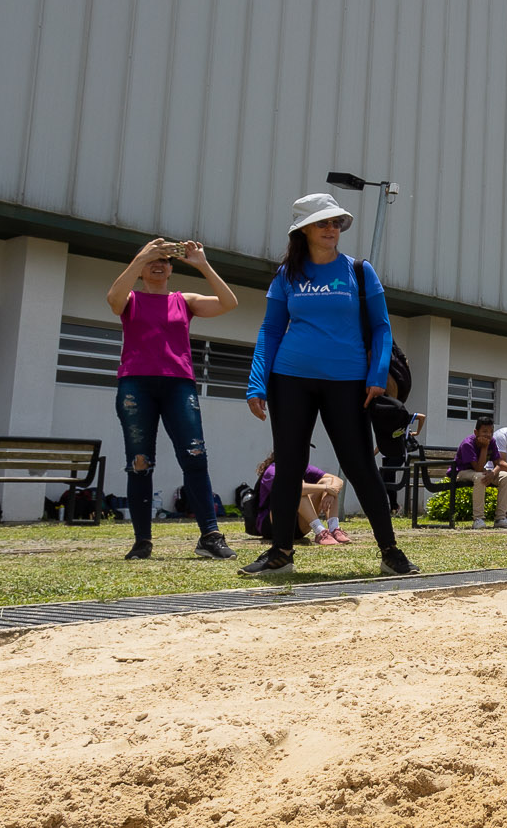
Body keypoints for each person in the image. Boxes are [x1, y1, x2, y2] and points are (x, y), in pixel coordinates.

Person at [241, 193, 417, 577]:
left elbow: (381, 328)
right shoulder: (286, 275)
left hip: (348, 381)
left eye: (336, 222)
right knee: (289, 465)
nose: (332, 229)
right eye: (323, 222)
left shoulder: (358, 270)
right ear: (303, 229)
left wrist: (376, 377)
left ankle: (390, 552)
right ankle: (280, 554)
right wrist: (257, 382)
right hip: (289, 380)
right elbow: (271, 330)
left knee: (359, 464)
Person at [107, 238, 240, 560]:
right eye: (154, 259)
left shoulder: (185, 300)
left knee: (195, 457)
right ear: (141, 268)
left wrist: (202, 264)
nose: (159, 264)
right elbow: (113, 299)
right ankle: (142, 541)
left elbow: (228, 302)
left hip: (178, 385)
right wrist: (141, 257)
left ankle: (209, 535)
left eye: (166, 260)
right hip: (135, 385)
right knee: (139, 463)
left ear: (171, 269)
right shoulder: (131, 298)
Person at [250, 453, 345, 545]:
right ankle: (320, 531)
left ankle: (334, 529)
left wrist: (331, 492)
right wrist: (326, 488)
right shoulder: (272, 471)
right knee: (297, 490)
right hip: (273, 526)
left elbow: (337, 480)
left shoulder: (302, 467)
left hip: (299, 527)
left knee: (328, 481)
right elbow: (293, 489)